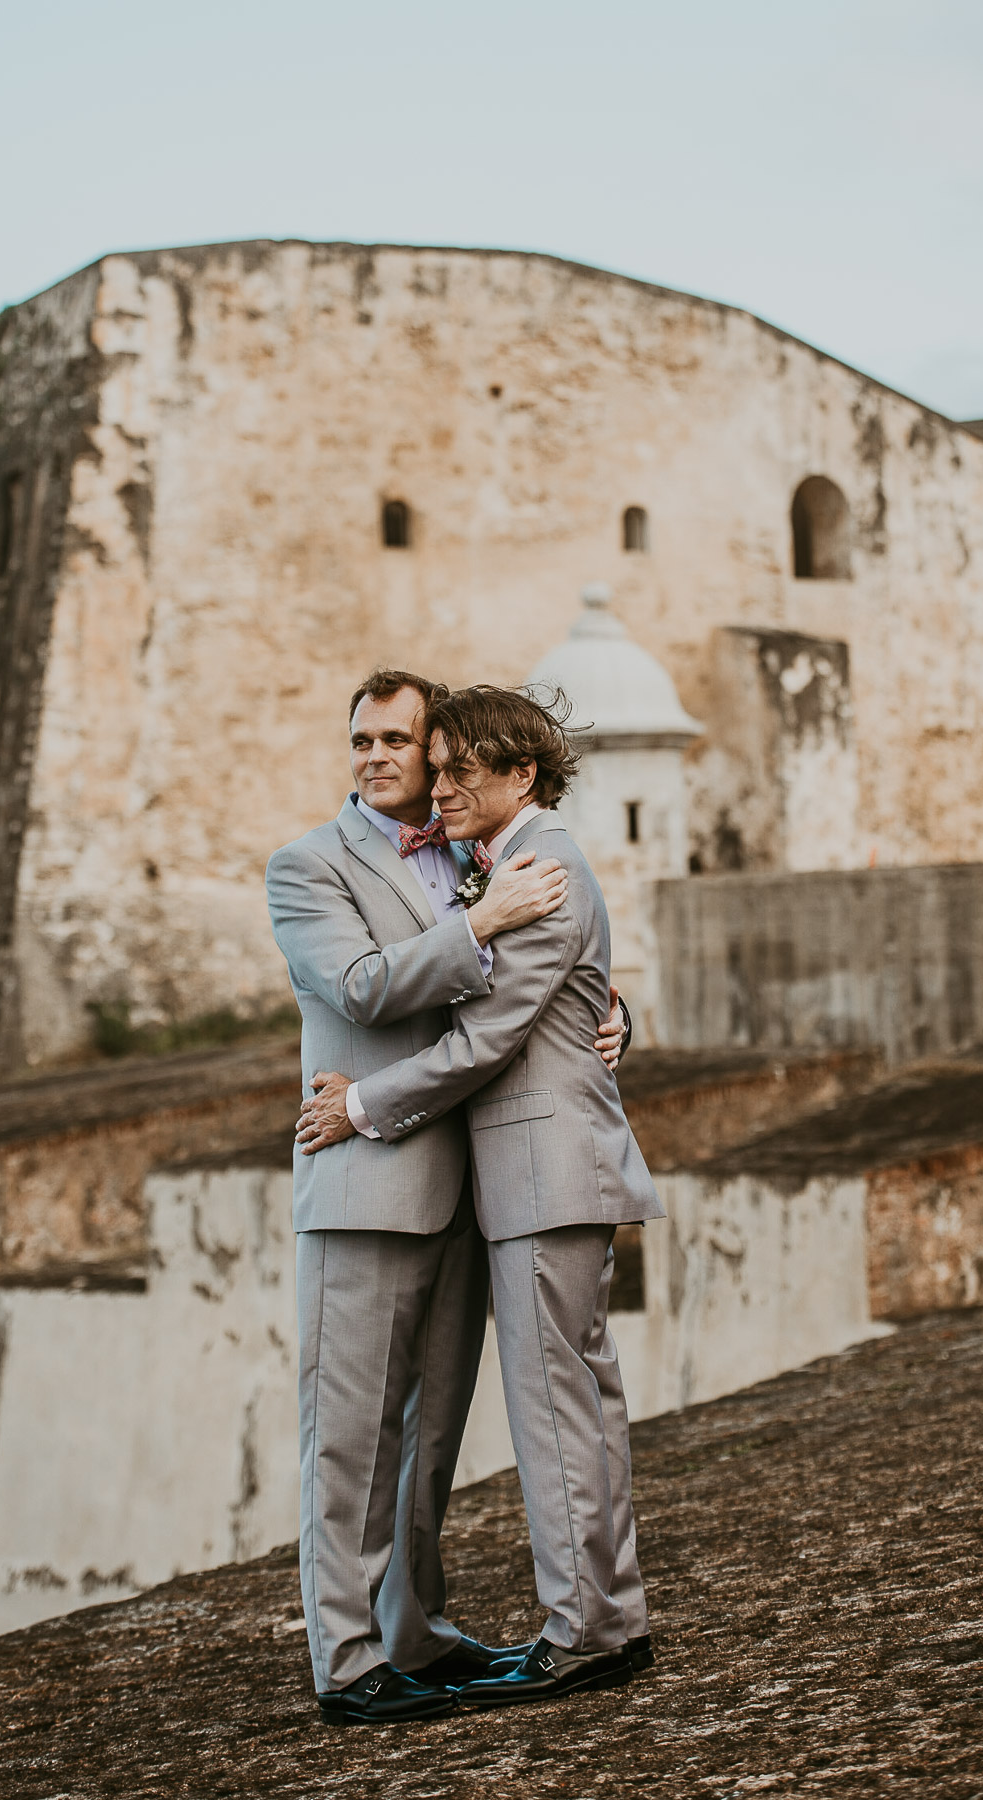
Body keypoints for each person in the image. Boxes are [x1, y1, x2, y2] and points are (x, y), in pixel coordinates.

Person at [266, 669, 627, 1727]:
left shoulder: (478, 857)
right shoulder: (308, 865)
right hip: (365, 1174)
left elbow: (532, 982)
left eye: (398, 741)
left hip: (471, 1187)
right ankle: (346, 1659)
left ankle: (411, 1633)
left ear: (436, 755)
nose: (377, 757)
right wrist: (484, 925)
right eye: (360, 740)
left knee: (429, 1440)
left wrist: (609, 1014)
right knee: (347, 1437)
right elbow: (364, 986)